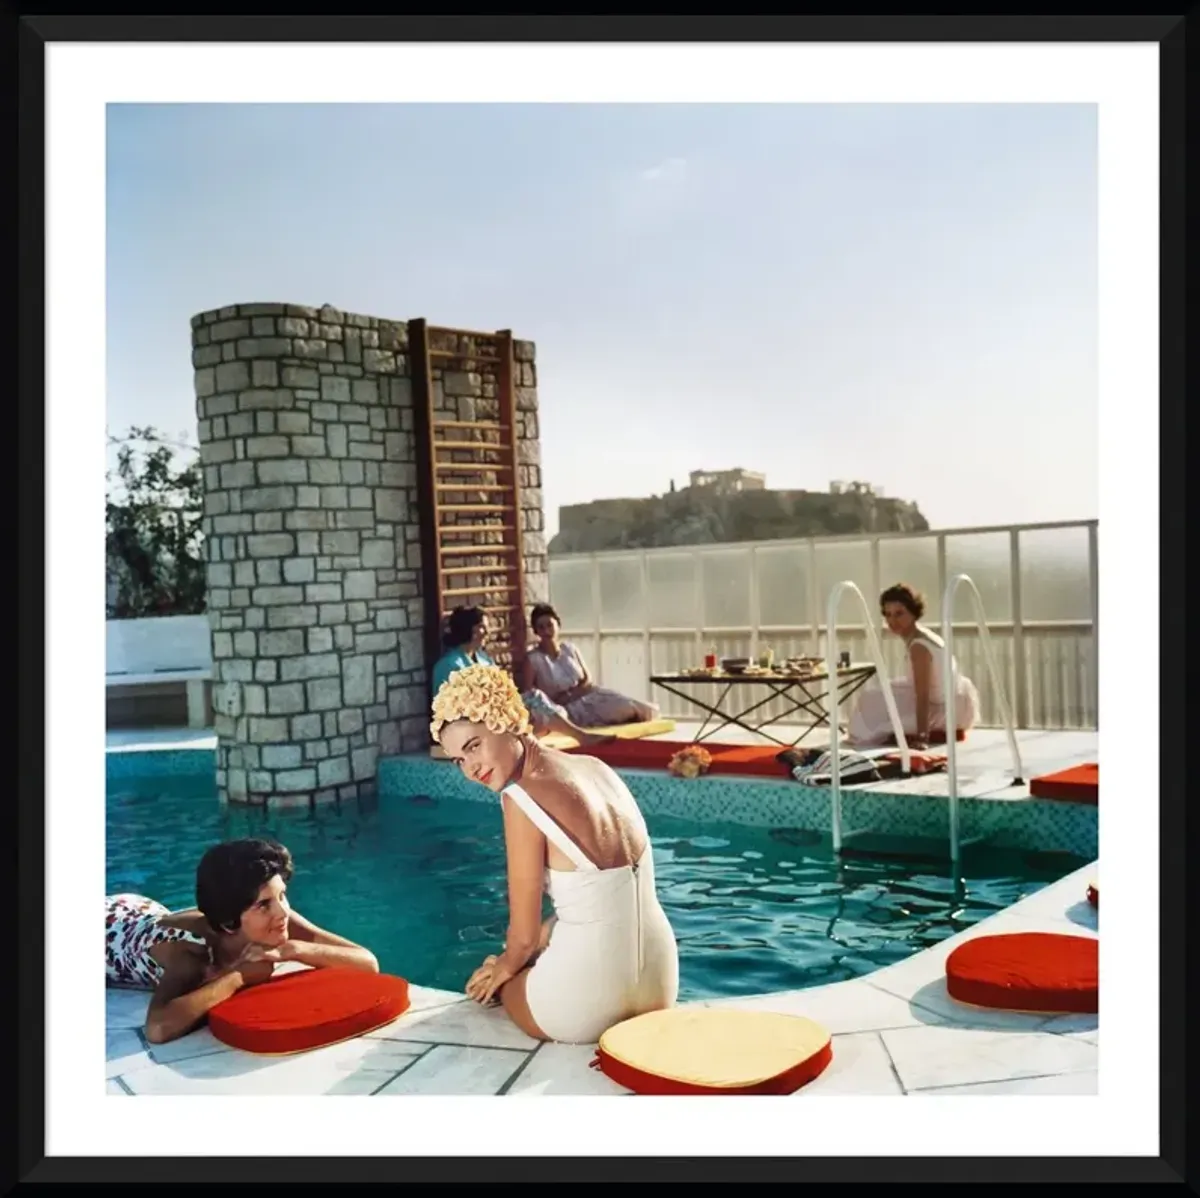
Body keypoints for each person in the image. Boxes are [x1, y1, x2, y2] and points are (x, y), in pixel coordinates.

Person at [431, 662, 679, 1044]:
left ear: (504, 720)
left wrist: (503, 968)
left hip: (588, 1002)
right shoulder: (597, 769)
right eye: (459, 760)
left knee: (503, 985)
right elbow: (601, 894)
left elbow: (524, 937)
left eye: (474, 746)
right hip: (661, 982)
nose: (470, 768)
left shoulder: (521, 797)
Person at [105, 837, 379, 1044]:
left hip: (139, 908)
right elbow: (158, 1028)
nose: (282, 911)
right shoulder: (191, 953)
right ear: (228, 923)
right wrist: (238, 977)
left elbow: (367, 963)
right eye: (264, 905)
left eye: (282, 895)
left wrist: (294, 949)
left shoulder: (277, 916)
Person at [431, 605, 610, 747]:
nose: (487, 632)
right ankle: (581, 736)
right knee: (534, 698)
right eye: (482, 627)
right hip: (471, 723)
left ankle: (533, 742)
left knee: (539, 715)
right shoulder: (450, 664)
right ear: (469, 630)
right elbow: (449, 708)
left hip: (495, 714)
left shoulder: (483, 658)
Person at [846, 583, 981, 749]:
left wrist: (922, 736)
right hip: (954, 697)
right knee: (877, 693)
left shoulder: (919, 646)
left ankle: (912, 731)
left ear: (913, 612)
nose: (892, 620)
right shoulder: (920, 634)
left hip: (944, 708)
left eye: (899, 614)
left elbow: (922, 695)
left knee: (872, 702)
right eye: (888, 615)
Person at [523, 603, 659, 729]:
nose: (546, 631)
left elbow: (587, 678)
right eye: (541, 627)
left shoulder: (570, 649)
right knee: (614, 713)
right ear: (536, 632)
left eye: (549, 625)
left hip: (589, 696)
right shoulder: (534, 659)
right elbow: (530, 695)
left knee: (637, 707)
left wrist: (575, 693)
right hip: (563, 708)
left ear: (558, 625)